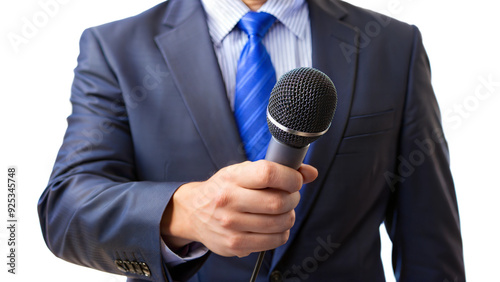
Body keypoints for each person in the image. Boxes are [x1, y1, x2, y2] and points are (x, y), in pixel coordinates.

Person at [38, 0, 466, 281]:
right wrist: (182, 213)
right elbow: (67, 208)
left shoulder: (393, 45)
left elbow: (430, 242)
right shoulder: (116, 48)